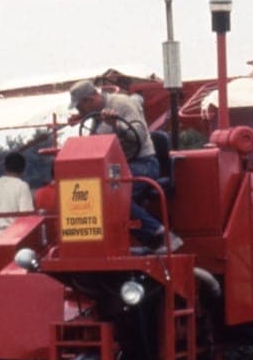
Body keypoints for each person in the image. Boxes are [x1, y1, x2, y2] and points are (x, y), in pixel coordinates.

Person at [69, 79, 182, 252]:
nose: (80, 112)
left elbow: (140, 134)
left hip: (143, 162)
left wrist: (116, 125)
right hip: (117, 167)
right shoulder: (96, 115)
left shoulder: (122, 104)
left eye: (80, 108)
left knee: (111, 195)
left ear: (89, 100)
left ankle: (161, 235)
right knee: (92, 192)